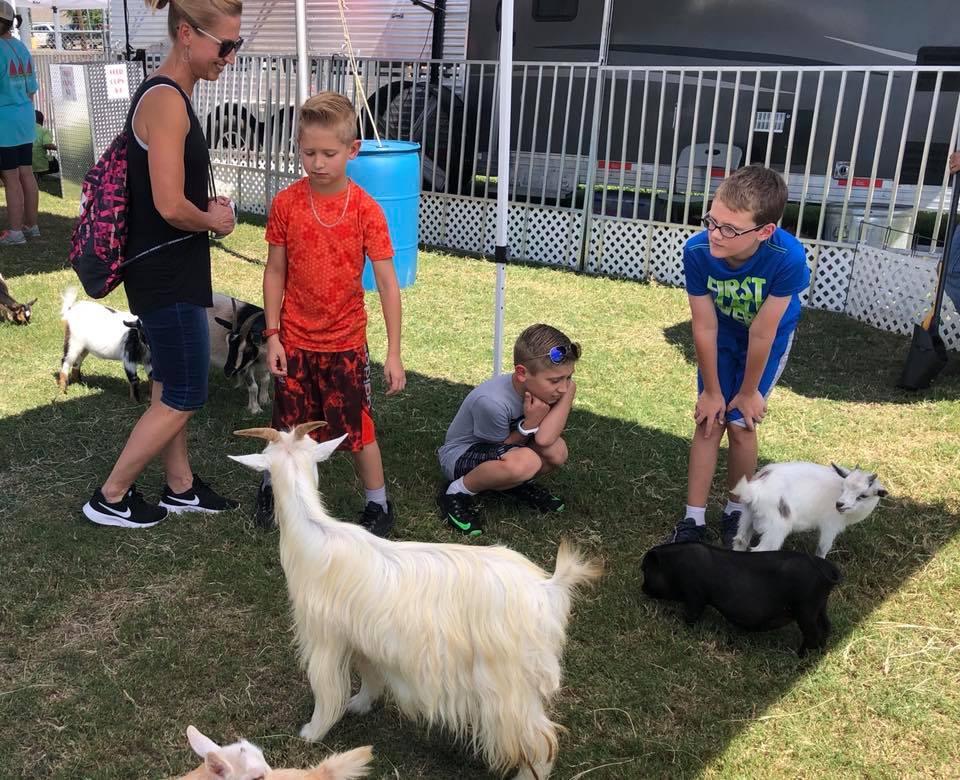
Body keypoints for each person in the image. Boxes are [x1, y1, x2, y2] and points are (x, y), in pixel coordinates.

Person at [82, 0, 242, 528]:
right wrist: (211, 219)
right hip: (165, 272)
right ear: (187, 34)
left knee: (167, 380)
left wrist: (206, 209)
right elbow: (170, 205)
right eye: (225, 45)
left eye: (236, 45)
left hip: (171, 266)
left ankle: (180, 486)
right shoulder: (168, 100)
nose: (230, 57)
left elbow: (170, 197)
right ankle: (111, 496)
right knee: (187, 390)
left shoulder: (170, 94)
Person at [254, 91, 405, 538]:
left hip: (345, 343)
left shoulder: (366, 210)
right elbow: (275, 271)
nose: (317, 163)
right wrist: (273, 334)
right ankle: (274, 488)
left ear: (352, 150)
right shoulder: (286, 203)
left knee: (357, 428)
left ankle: (377, 503)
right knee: (288, 427)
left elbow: (388, 284)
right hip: (294, 340)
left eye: (328, 153)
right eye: (308, 152)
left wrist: (394, 352)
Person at [669, 165, 810, 547]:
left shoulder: (788, 257)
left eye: (730, 229)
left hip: (767, 339)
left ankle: (737, 512)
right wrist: (712, 391)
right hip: (722, 334)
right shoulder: (697, 251)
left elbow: (763, 332)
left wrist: (748, 393)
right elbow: (704, 326)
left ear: (765, 231)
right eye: (712, 221)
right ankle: (693, 519)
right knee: (709, 419)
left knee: (742, 424)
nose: (716, 234)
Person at [437, 324, 578, 537]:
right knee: (526, 462)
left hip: (509, 449)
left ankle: (514, 484)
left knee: (557, 451)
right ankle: (456, 492)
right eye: (555, 380)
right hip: (461, 455)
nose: (563, 388)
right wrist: (529, 425)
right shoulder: (492, 401)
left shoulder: (558, 388)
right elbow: (498, 447)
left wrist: (569, 393)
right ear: (522, 373)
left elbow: (545, 438)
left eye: (569, 377)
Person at [0, 0, 39, 245]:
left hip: (5, 122)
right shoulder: (21, 46)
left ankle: (15, 232)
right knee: (26, 172)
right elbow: (31, 89)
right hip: (25, 117)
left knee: (10, 177)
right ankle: (31, 225)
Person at [32, 110, 57, 177]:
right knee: (55, 162)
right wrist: (59, 148)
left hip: (26, 163)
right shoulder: (44, 131)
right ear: (42, 120)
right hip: (40, 164)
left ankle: (36, 177)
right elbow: (47, 145)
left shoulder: (25, 130)